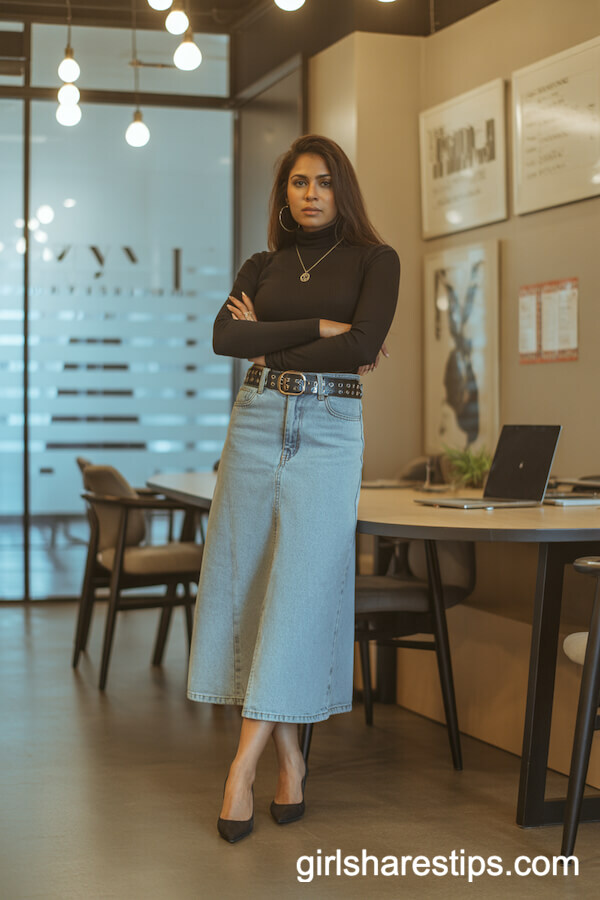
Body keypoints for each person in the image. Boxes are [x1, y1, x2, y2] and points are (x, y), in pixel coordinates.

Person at [187, 134, 400, 843]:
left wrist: (271, 337)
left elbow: (362, 348)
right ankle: (289, 755)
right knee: (247, 585)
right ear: (284, 193)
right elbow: (224, 339)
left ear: (344, 190)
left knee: (302, 590)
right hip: (254, 420)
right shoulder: (262, 264)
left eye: (325, 182)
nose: (311, 193)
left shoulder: (377, 260)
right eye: (299, 182)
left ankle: (241, 767)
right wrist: (316, 327)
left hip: (331, 429)